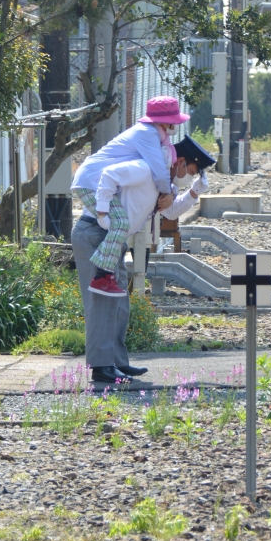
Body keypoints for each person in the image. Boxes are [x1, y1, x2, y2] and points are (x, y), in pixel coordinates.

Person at [71, 134, 216, 384]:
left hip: (112, 240)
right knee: (102, 303)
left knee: (119, 304)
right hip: (94, 231)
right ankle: (101, 366)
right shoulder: (146, 169)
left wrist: (193, 193)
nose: (188, 177)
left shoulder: (164, 181)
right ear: (180, 161)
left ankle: (116, 362)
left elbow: (170, 211)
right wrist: (106, 213)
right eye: (190, 172)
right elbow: (110, 175)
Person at [71, 96, 190, 298]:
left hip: (97, 181)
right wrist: (168, 192)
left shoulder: (156, 135)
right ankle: (102, 276)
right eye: (174, 120)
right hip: (91, 182)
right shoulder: (148, 133)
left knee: (120, 223)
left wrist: (170, 192)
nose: (175, 125)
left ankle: (103, 275)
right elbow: (159, 170)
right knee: (120, 222)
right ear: (165, 121)